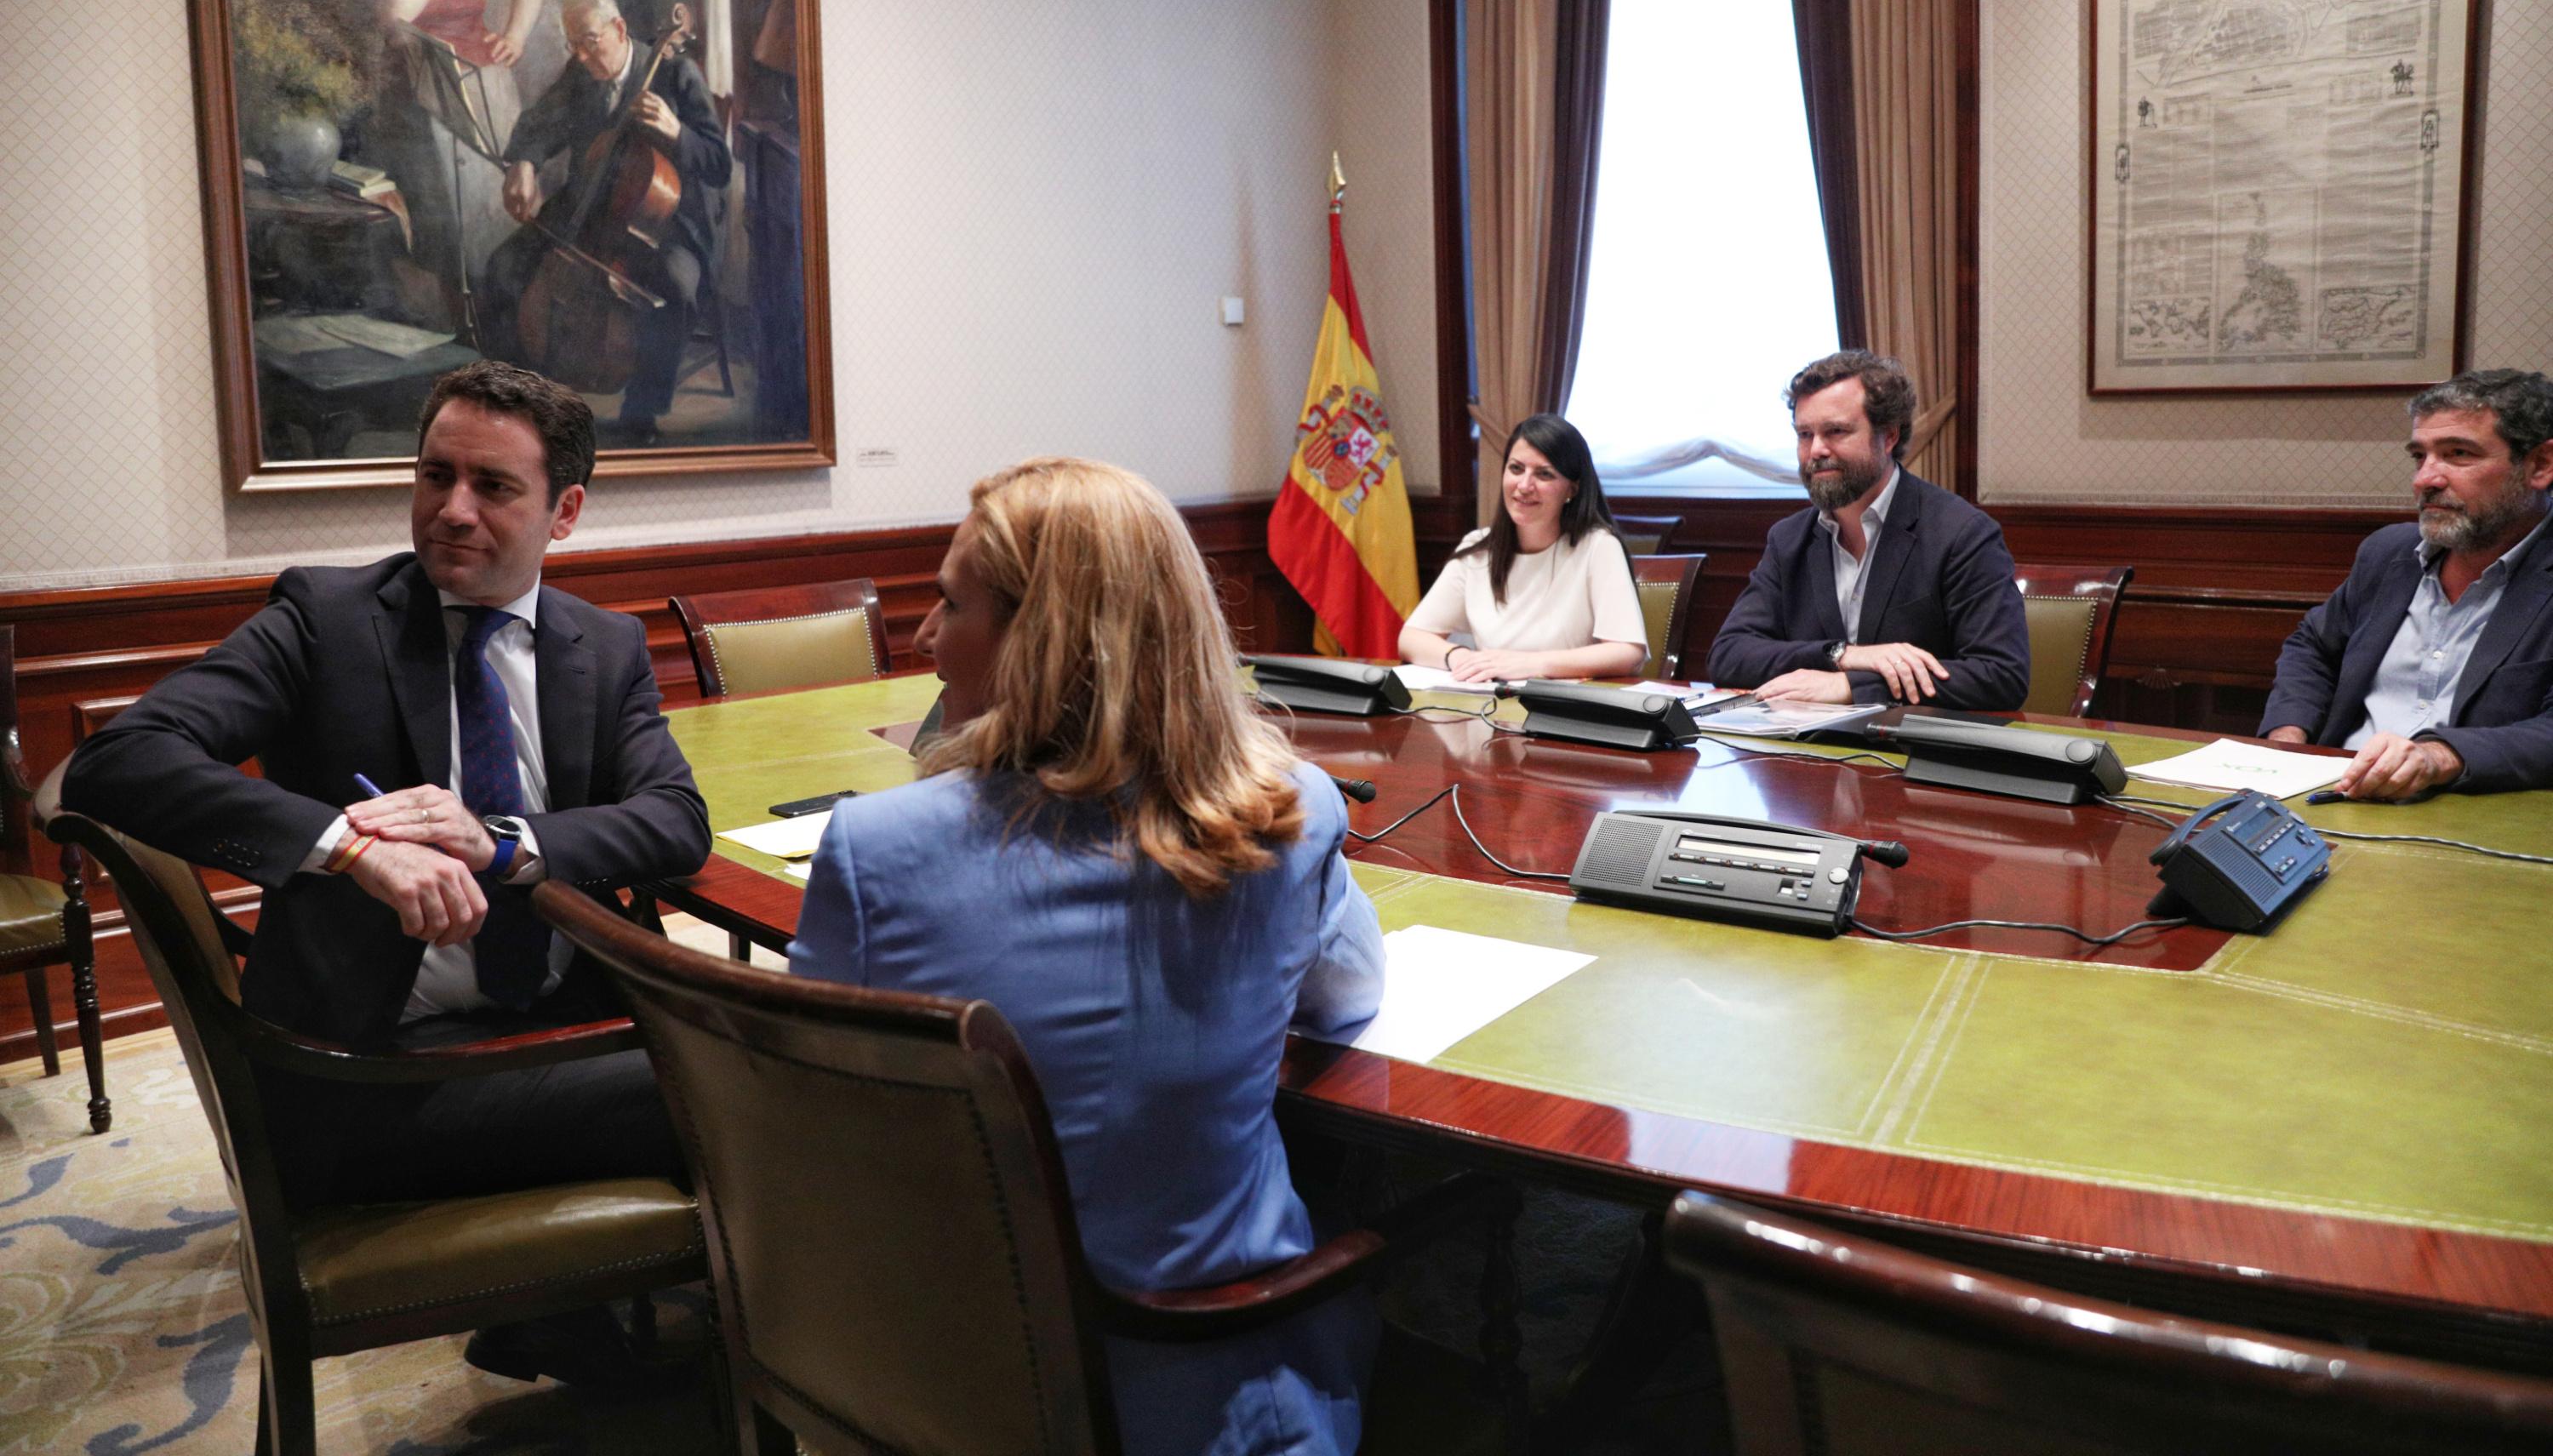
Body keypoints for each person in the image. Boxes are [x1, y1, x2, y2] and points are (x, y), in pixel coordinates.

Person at [61, 362, 710, 1382]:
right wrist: (351, 846)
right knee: (744, 1085)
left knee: (736, 1040)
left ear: (565, 510)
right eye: (433, 474)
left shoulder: (604, 644)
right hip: (366, 1070)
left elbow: (676, 822)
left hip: (546, 1020)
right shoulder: (326, 619)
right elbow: (113, 762)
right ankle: (743, 1355)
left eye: (493, 487)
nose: (451, 510)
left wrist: (503, 845)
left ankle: (559, 1310)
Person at [787, 457, 1386, 1456]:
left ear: (1042, 640)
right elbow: (1348, 997)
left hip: (934, 1386)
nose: (927, 636)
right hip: (1216, 1396)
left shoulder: (872, 850)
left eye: (950, 605)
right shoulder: (1295, 814)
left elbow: (820, 1135)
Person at [2262, 368, 2553, 797]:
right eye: (2420, 456)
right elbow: (2313, 649)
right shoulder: (2388, 554)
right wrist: (2287, 740)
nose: (2425, 480)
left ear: (2540, 465)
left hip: (2470, 813)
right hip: (2330, 793)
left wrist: (2439, 756)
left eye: (2458, 454)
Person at [479, 0, 732, 447]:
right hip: (588, 208)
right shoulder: (581, 71)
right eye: (573, 43)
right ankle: (516, 396)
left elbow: (718, 162)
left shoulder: (677, 74)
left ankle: (642, 414)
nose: (580, 54)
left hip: (664, 218)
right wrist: (525, 164)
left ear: (618, 30)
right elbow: (538, 124)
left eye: (590, 40)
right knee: (502, 268)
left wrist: (677, 132)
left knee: (675, 284)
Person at [1708, 350, 2030, 710]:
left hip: (1913, 753)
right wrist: (1841, 656)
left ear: (1889, 435)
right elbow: (1729, 655)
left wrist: (1852, 687)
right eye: (1804, 434)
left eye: (1836, 431)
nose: (1816, 450)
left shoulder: (1961, 533)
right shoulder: (1789, 539)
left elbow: (2000, 675)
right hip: (1799, 751)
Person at [328, 0, 544, 327]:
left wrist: (514, 36)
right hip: (413, 97)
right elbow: (394, 14)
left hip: (488, 89)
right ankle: (459, 340)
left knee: (505, 217)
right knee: (446, 234)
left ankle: (512, 333)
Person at [1397, 414, 1648, 680]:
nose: (1525, 486)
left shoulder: (1598, 546)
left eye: (1544, 474)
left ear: (1571, 490)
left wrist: (1532, 665)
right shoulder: (1479, 548)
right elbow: (1412, 637)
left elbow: (1628, 652)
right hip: (1488, 703)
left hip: (1562, 710)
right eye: (1516, 469)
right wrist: (1461, 657)